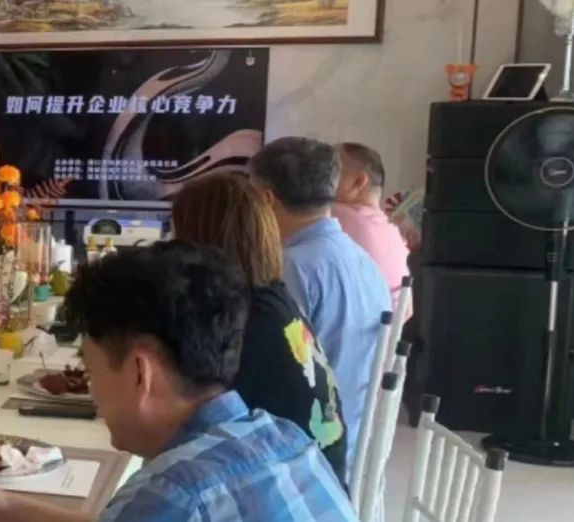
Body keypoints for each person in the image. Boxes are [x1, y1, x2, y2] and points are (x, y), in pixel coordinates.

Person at [0, 242, 357, 522]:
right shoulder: (283, 439)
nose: (93, 391)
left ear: (140, 373)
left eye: (92, 371)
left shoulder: (174, 492)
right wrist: (5, 509)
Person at [171, 172, 348, 483]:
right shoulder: (273, 300)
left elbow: (175, 414)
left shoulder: (243, 324)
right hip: (317, 486)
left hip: (284, 491)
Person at [249, 136, 391, 467]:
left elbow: (272, 377)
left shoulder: (289, 268)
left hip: (305, 456)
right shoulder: (362, 260)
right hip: (351, 444)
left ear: (266, 199)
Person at [333, 142, 411, 311]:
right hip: (388, 325)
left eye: (331, 172)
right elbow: (407, 309)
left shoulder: (337, 215)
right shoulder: (392, 232)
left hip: (351, 325)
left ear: (358, 182)